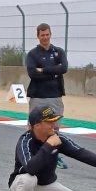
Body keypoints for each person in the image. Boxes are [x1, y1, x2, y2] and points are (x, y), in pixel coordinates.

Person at [25, 23, 69, 169]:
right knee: (35, 126)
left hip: (55, 95)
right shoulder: (32, 54)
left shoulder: (58, 51)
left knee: (54, 127)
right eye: (42, 35)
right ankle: (32, 153)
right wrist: (53, 72)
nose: (45, 37)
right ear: (38, 36)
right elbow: (32, 73)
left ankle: (54, 155)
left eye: (47, 34)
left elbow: (63, 68)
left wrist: (43, 70)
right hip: (38, 96)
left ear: (50, 34)